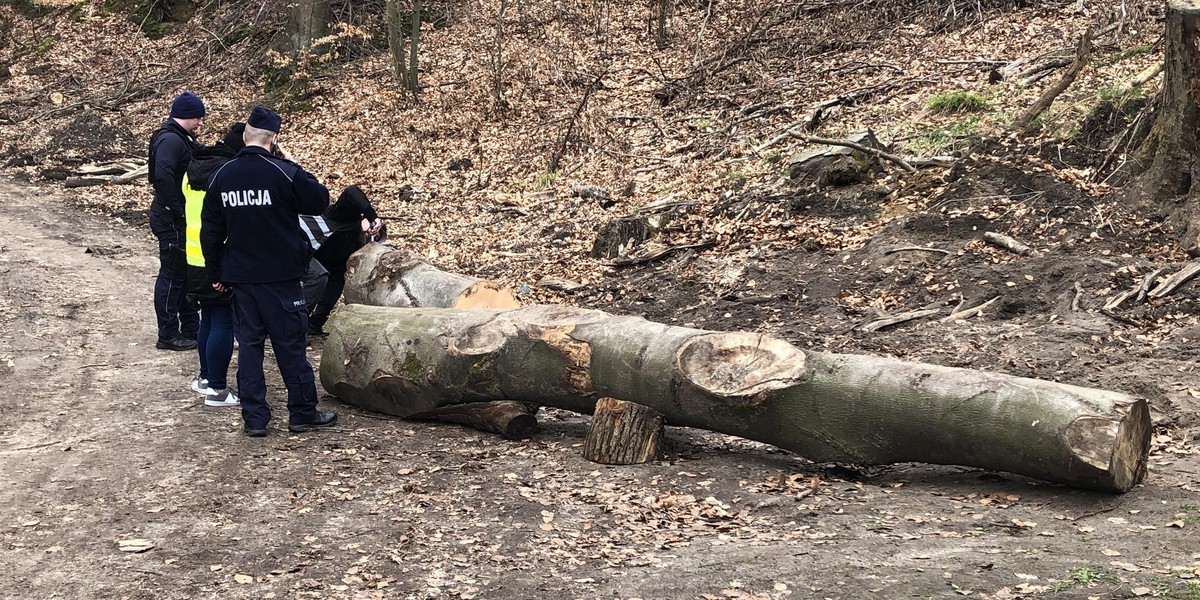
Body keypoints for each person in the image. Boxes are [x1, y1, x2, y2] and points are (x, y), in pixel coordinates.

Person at [200, 106, 337, 437]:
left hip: (242, 277)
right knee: (290, 346)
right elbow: (319, 200)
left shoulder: (222, 176)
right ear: (274, 139)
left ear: (246, 135)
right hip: (281, 277)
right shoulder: (284, 172)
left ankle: (255, 418)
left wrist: (215, 271)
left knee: (249, 347)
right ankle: (302, 412)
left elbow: (210, 230)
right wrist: (291, 161)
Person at [181, 122, 245, 408]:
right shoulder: (226, 175)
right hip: (217, 255)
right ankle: (218, 389)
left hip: (193, 255)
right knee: (222, 320)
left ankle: (206, 378)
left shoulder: (192, 169)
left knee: (208, 317)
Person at [148, 91, 205, 351]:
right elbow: (163, 176)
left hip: (177, 217)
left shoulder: (183, 139)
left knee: (184, 273)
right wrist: (180, 210)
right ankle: (168, 334)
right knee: (172, 275)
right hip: (170, 218)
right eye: (199, 118)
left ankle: (191, 328)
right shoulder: (171, 140)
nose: (201, 123)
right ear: (188, 116)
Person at [300, 184, 384, 335]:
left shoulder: (356, 251)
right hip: (295, 243)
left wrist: (318, 319)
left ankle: (312, 325)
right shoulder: (347, 218)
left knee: (331, 279)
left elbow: (336, 282)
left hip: (314, 258)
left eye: (376, 236)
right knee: (316, 278)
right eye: (373, 229)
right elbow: (351, 191)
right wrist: (372, 216)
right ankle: (291, 325)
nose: (371, 234)